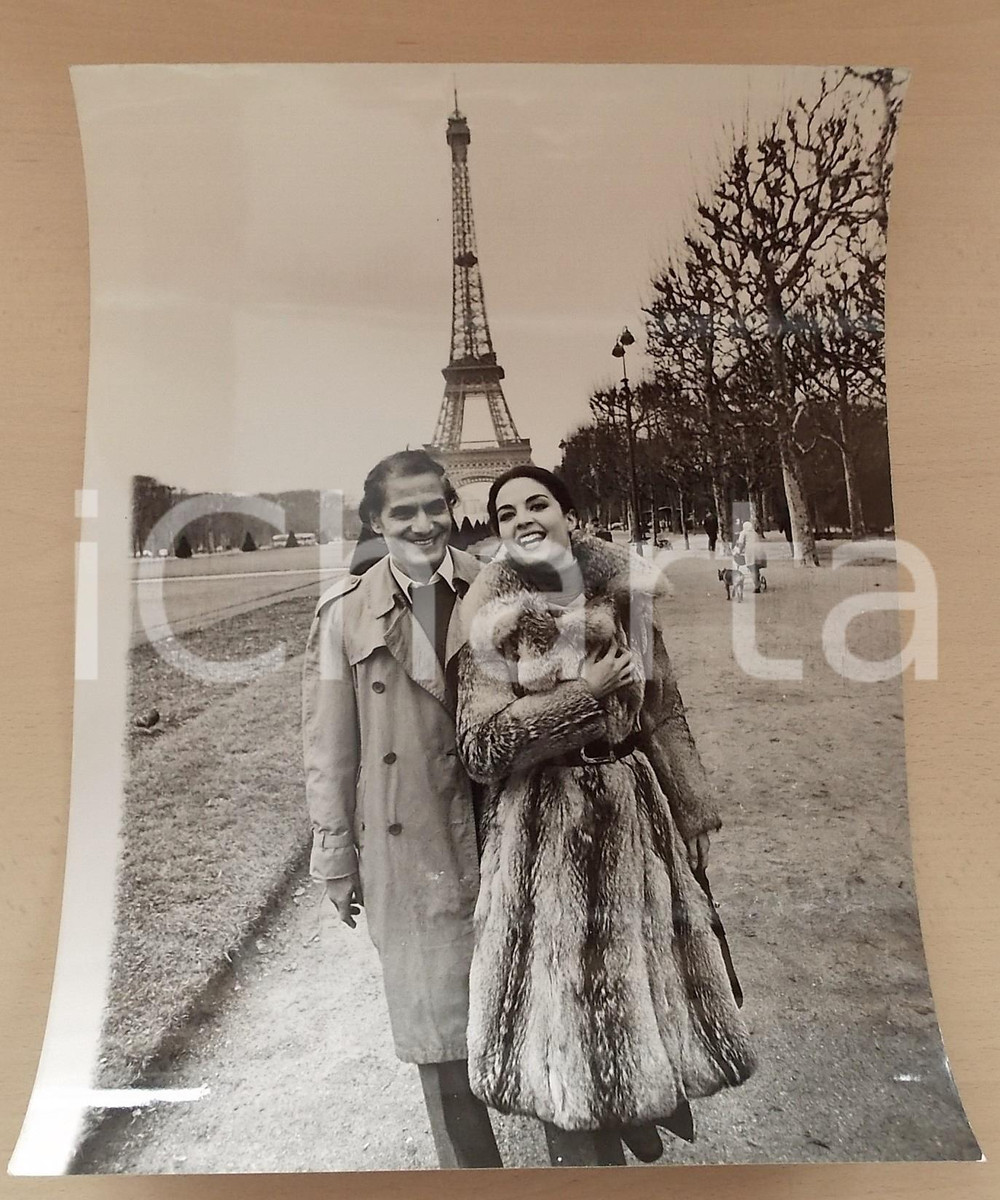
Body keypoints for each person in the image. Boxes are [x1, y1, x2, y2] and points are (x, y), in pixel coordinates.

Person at [455, 466, 755, 1167]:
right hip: (541, 833)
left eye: (538, 504)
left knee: (634, 996)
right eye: (505, 514)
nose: (523, 519)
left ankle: (633, 1117)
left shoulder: (626, 595)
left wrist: (693, 817)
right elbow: (479, 747)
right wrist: (580, 697)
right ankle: (586, 1153)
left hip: (630, 815)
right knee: (563, 1021)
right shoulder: (491, 613)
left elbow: (663, 711)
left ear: (569, 514)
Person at [302, 449, 502, 1169]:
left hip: (500, 822)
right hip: (409, 837)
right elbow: (329, 744)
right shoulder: (344, 613)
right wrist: (334, 854)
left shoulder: (499, 588)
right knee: (438, 1028)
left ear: (453, 507)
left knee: (524, 1001)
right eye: (402, 512)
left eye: (433, 507)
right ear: (375, 523)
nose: (422, 523)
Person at [734, 519, 765, 593]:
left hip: (750, 552)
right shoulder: (755, 533)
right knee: (756, 568)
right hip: (758, 551)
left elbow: (741, 544)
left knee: (752, 569)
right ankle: (758, 581)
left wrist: (738, 552)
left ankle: (757, 586)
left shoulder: (743, 533)